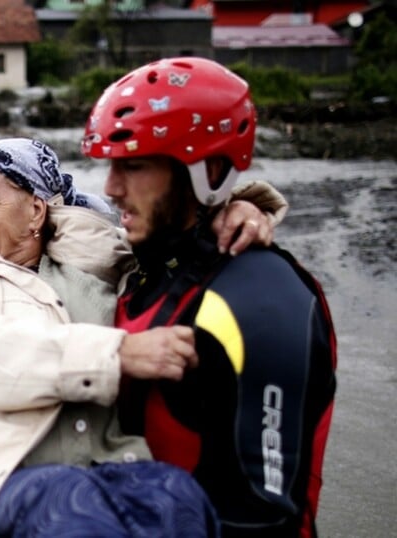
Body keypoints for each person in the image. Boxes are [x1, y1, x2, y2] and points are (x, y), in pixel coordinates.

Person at [0, 138, 284, 538]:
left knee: (177, 498)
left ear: (36, 210)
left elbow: (174, 232)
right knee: (70, 505)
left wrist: (235, 211)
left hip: (103, 461)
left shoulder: (105, 262)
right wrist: (116, 354)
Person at [81, 57, 337, 538]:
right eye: (111, 165)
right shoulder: (141, 268)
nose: (111, 188)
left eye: (134, 165)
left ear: (209, 169)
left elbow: (263, 513)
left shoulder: (262, 297)